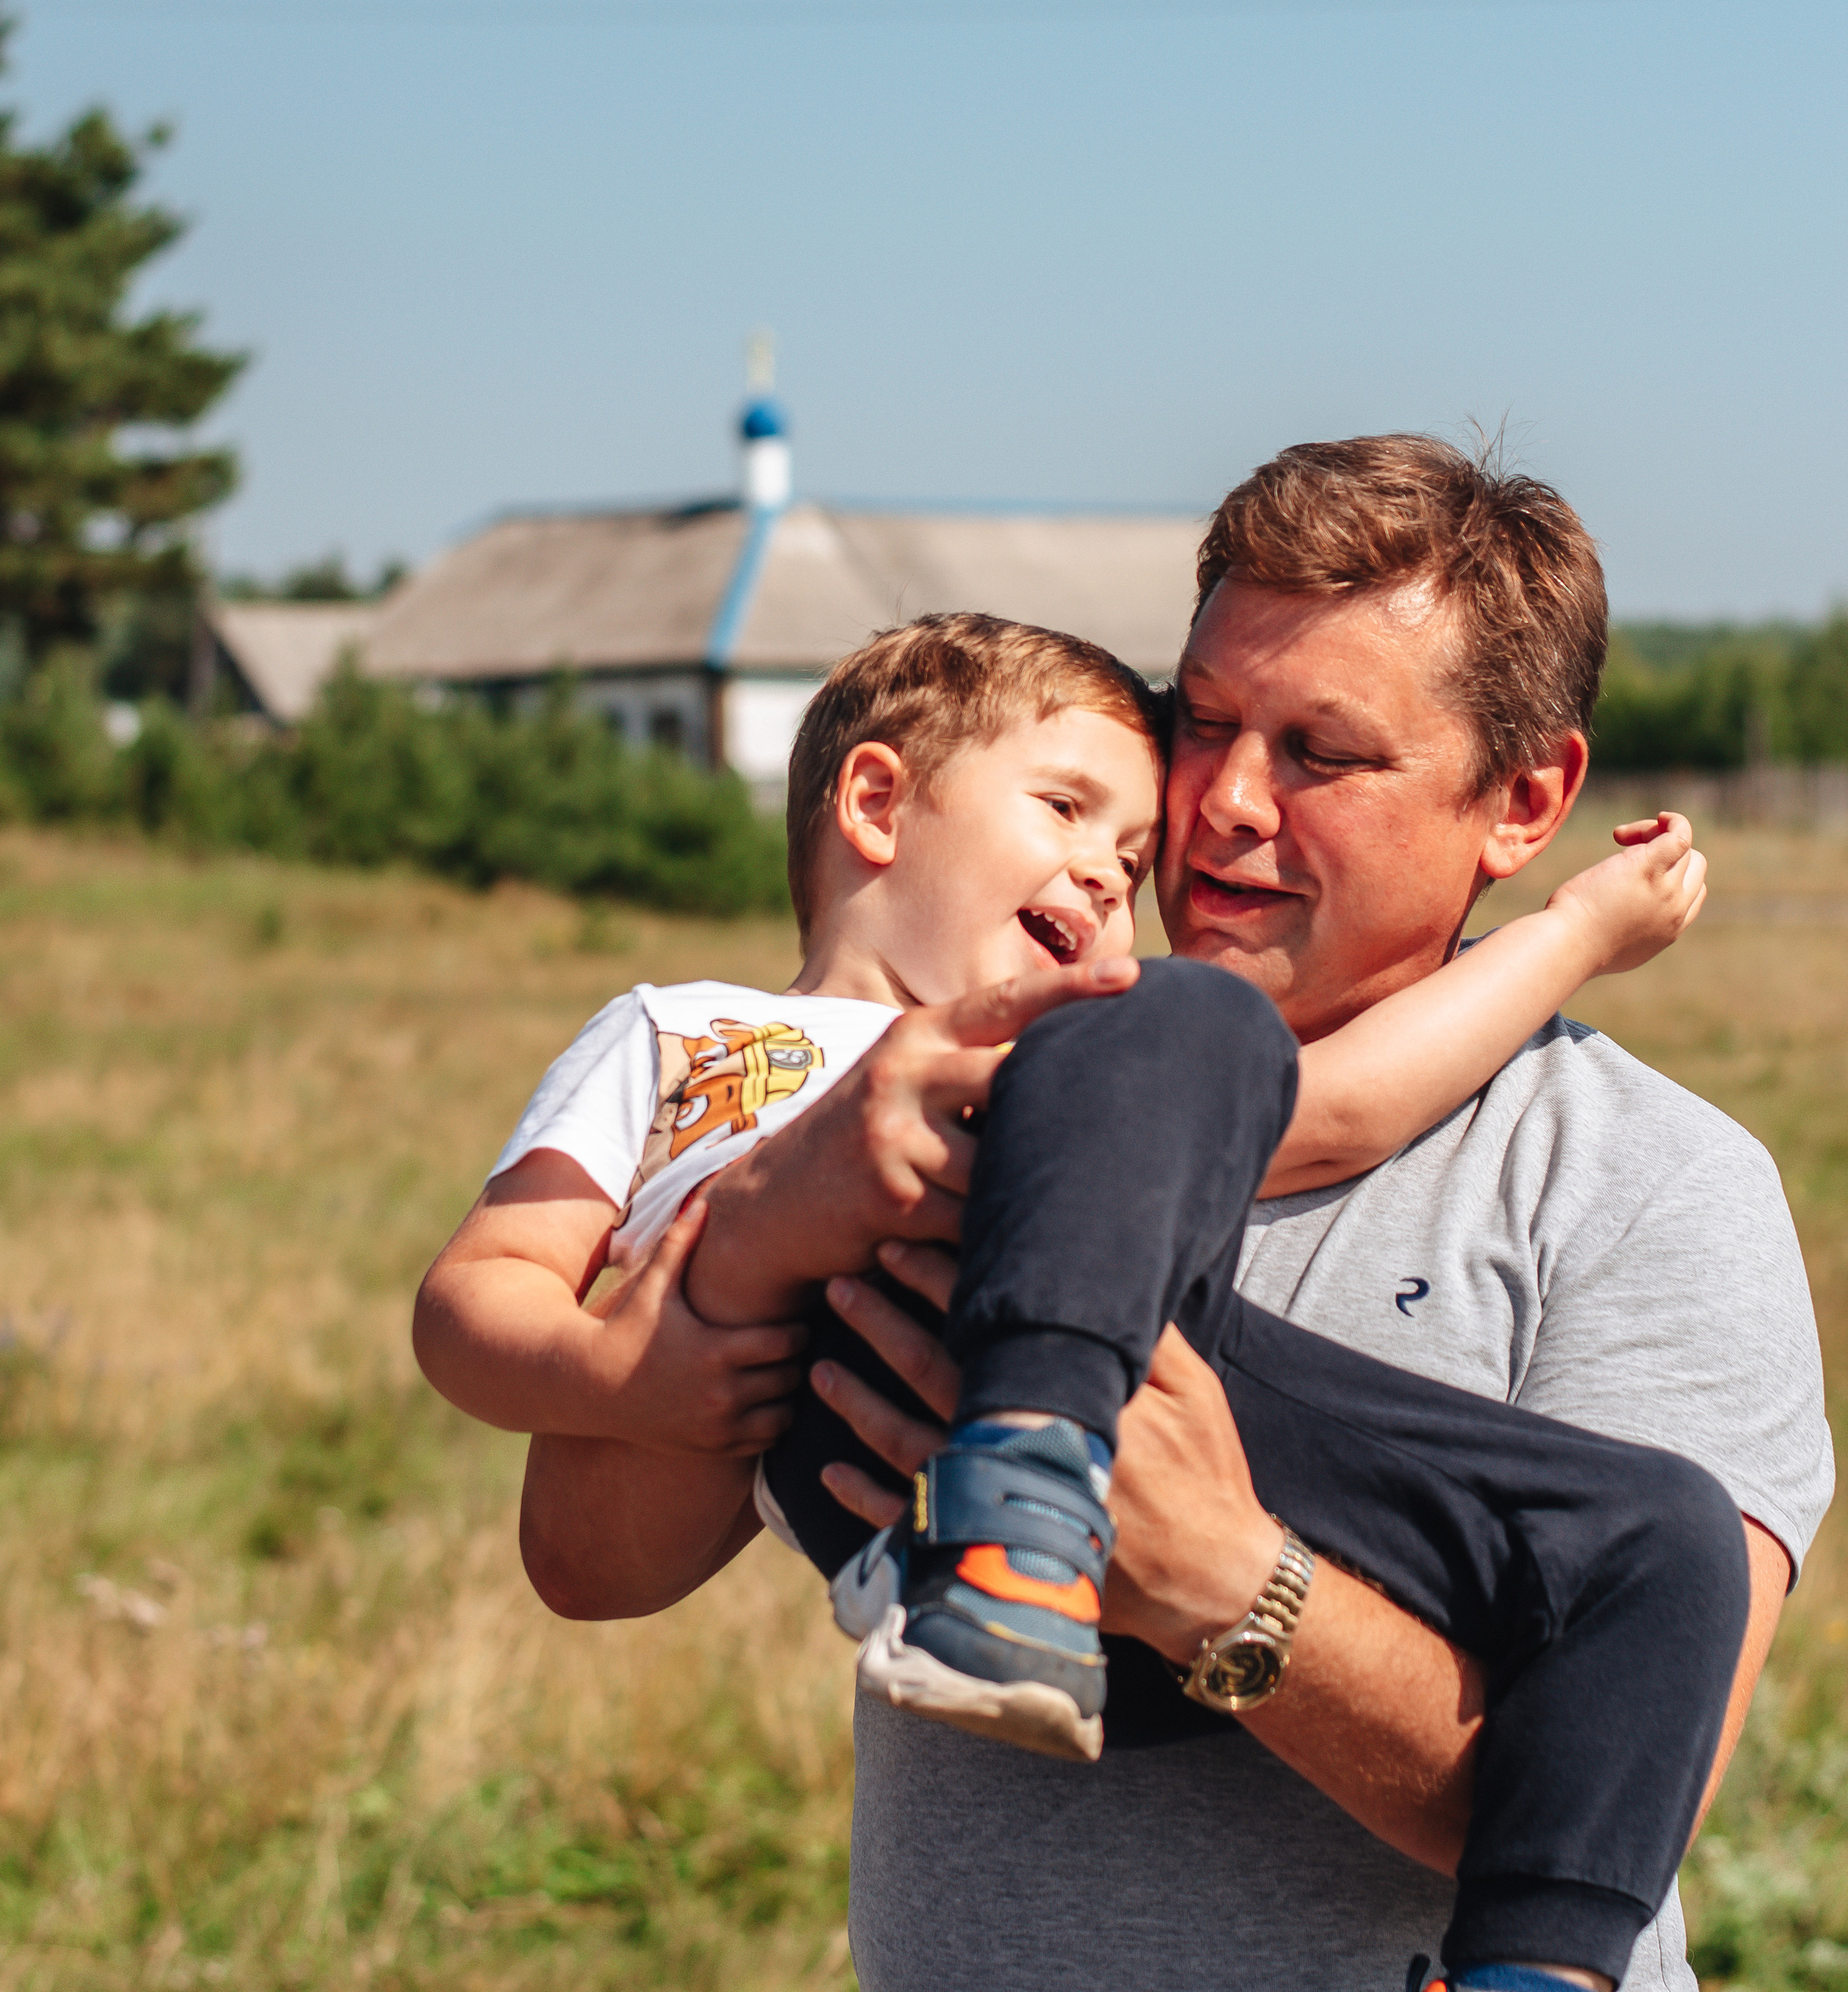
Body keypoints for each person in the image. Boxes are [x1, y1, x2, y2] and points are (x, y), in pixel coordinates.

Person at [418, 591, 1742, 1991]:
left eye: (1129, 853)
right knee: (1192, 1015)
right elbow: (477, 1301)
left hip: (1153, 1460)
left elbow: (1336, 1110)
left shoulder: (1078, 1061)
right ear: (876, 802)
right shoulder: (680, 1034)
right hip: (892, 1462)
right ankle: (1018, 1511)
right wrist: (625, 1375)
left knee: (1666, 1535)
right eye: (1065, 810)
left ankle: (1535, 1971)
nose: (1115, 878)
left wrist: (1574, 929)